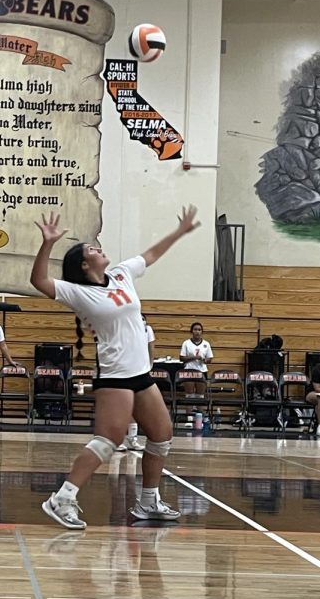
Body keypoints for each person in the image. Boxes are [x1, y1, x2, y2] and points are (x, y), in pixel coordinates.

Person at [30, 206, 200, 530]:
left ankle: (148, 501)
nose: (98, 248)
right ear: (84, 264)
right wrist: (48, 243)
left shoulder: (122, 273)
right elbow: (38, 280)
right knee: (107, 441)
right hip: (115, 376)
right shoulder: (79, 293)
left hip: (140, 374)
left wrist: (180, 232)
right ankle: (61, 498)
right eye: (91, 250)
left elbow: (150, 254)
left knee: (161, 436)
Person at [121, 313, 156, 451]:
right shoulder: (125, 329)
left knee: (136, 405)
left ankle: (133, 439)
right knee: (123, 405)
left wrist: (150, 364)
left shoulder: (148, 329)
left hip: (140, 370)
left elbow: (151, 346)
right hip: (124, 369)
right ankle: (119, 439)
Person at [179, 322, 213, 395]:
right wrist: (194, 357)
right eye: (195, 329)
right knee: (189, 395)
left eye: (199, 330)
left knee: (200, 395)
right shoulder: (186, 343)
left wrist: (205, 360)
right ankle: (190, 406)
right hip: (189, 371)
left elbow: (210, 359)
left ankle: (199, 406)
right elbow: (181, 358)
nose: (197, 332)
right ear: (191, 331)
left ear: (202, 332)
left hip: (202, 371)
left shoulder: (206, 344)